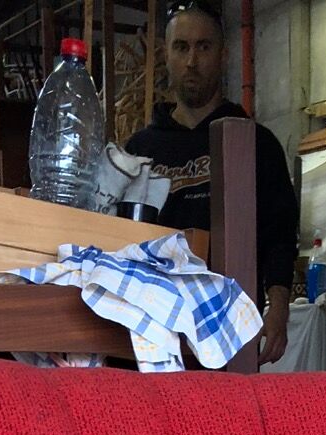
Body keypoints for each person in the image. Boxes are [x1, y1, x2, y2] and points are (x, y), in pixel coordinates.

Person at [126, 2, 300, 365]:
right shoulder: (140, 150)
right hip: (154, 329)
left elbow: (280, 233)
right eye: (181, 47)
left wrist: (278, 308)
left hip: (232, 329)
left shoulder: (256, 143)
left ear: (222, 56)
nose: (192, 61)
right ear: (167, 56)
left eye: (204, 47)